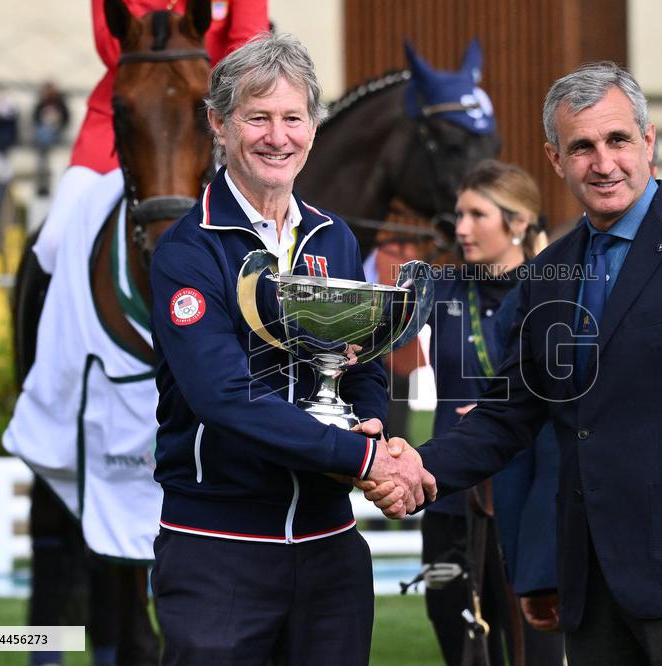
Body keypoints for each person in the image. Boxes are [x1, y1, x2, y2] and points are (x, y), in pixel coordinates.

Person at [367, 61, 662, 664]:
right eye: (582, 147)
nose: (604, 163)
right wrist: (419, 466)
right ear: (555, 159)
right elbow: (509, 415)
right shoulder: (548, 273)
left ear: (649, 141)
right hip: (590, 591)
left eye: (618, 140)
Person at [148, 33, 434, 665]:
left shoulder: (334, 237)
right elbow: (225, 397)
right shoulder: (187, 250)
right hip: (218, 548)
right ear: (219, 124)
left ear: (314, 128)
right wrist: (363, 459)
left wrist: (371, 428)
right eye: (258, 118)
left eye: (293, 118)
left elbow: (362, 363)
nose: (277, 137)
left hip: (330, 547)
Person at [420, 159, 562, 665]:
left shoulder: (554, 292)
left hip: (528, 500)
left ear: (518, 222)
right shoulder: (442, 288)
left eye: (477, 215)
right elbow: (375, 317)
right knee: (461, 646)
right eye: (458, 214)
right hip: (449, 501)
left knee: (536, 650)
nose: (461, 228)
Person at [32, 0, 269, 274]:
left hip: (207, 116)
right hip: (129, 116)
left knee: (261, 239)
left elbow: (248, 49)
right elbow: (112, 45)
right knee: (53, 242)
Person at [31, 81, 71, 196]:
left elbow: (65, 120)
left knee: (45, 137)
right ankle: (43, 185)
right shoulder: (42, 104)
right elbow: (36, 119)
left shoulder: (60, 104)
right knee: (43, 134)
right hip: (44, 136)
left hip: (55, 134)